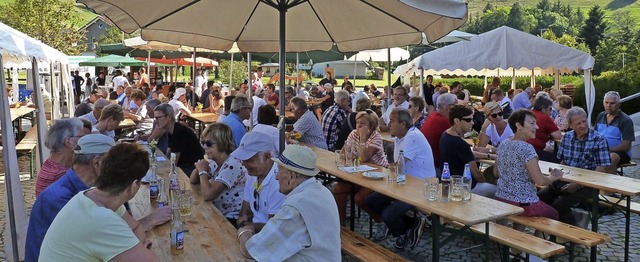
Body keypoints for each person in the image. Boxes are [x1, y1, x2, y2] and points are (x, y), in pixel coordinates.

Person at [25, 135, 171, 261]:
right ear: (98, 162)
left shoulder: (93, 195)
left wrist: (134, 248)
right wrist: (138, 248)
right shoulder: (62, 199)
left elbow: (135, 228)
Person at [238, 145, 340, 261]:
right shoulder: (321, 190)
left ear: (292, 176)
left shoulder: (295, 207)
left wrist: (244, 232)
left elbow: (253, 250)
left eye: (279, 171)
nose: (276, 177)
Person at [366, 108, 435, 249]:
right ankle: (411, 224)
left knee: (388, 214)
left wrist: (386, 172)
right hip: (405, 183)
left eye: (391, 121)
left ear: (403, 124)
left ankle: (401, 233)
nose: (388, 124)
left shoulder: (413, 136)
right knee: (371, 201)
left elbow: (398, 165)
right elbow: (397, 167)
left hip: (421, 187)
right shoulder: (400, 137)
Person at [538, 107, 611, 227]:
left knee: (559, 205)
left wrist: (577, 185)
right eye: (578, 123)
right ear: (571, 125)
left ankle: (573, 235)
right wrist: (555, 177)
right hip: (567, 179)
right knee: (539, 198)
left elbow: (600, 170)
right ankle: (562, 225)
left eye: (584, 121)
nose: (583, 125)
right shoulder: (567, 137)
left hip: (589, 184)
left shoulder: (599, 139)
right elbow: (563, 163)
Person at [494, 109, 563, 221]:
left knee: (523, 217)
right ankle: (538, 239)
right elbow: (540, 181)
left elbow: (496, 172)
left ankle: (518, 237)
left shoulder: (504, 143)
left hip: (502, 199)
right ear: (518, 125)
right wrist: (554, 176)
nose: (537, 127)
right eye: (532, 123)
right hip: (524, 203)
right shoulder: (526, 148)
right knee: (553, 214)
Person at [334, 110, 388, 226]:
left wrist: (363, 139)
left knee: (359, 198)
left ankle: (380, 220)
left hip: (378, 176)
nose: (358, 125)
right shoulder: (353, 133)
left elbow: (363, 158)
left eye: (362, 123)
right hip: (359, 174)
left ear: (371, 126)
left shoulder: (376, 137)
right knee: (338, 188)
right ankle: (341, 224)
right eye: (357, 122)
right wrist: (351, 154)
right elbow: (343, 153)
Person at [190, 123, 248, 225]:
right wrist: (199, 168)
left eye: (208, 144)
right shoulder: (215, 163)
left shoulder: (232, 165)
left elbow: (208, 195)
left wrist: (203, 171)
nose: (204, 147)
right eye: (202, 142)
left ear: (222, 143)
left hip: (230, 219)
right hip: (216, 212)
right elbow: (193, 181)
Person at [233, 132, 286, 231]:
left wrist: (246, 226)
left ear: (267, 157)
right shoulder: (253, 174)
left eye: (249, 160)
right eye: (243, 159)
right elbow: (245, 212)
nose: (244, 164)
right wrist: (244, 221)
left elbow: (273, 229)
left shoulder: (279, 182)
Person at [440, 105, 496, 197]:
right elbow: (476, 174)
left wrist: (490, 156)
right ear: (457, 121)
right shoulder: (460, 144)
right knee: (498, 190)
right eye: (468, 120)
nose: (472, 123)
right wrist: (485, 181)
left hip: (449, 183)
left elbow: (467, 154)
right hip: (464, 188)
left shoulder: (446, 134)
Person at [35, 119, 84, 196]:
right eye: (82, 137)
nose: (84, 140)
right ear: (68, 142)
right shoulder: (61, 174)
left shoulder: (51, 164)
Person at [153, 104, 203, 175]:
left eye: (159, 118)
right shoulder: (171, 130)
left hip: (192, 170)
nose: (156, 121)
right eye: (155, 118)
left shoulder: (179, 132)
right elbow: (168, 154)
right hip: (183, 167)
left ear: (169, 117)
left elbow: (174, 163)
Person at [595, 91, 635, 174]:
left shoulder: (625, 120)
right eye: (606, 102)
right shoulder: (601, 116)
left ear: (619, 104)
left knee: (610, 159)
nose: (608, 106)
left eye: (612, 103)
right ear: (603, 102)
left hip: (620, 153)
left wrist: (605, 149)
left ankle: (609, 185)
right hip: (601, 150)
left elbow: (626, 146)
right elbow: (594, 136)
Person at [421, 93, 458, 169]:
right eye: (456, 106)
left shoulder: (433, 116)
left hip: (426, 161)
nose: (457, 109)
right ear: (449, 107)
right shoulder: (444, 121)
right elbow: (458, 142)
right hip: (436, 165)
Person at [528, 96, 562, 163]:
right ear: (543, 109)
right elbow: (558, 136)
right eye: (550, 109)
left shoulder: (528, 114)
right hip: (535, 151)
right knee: (560, 161)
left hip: (525, 149)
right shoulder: (544, 117)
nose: (551, 111)